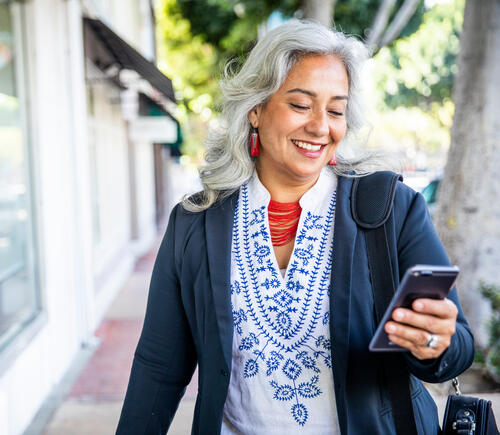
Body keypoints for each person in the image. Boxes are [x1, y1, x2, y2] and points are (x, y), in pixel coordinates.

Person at [116, 20, 474, 435]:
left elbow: (457, 347)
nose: (321, 126)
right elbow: (159, 366)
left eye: (336, 110)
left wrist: (433, 342)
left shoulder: (392, 208)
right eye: (301, 105)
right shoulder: (196, 221)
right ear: (256, 109)